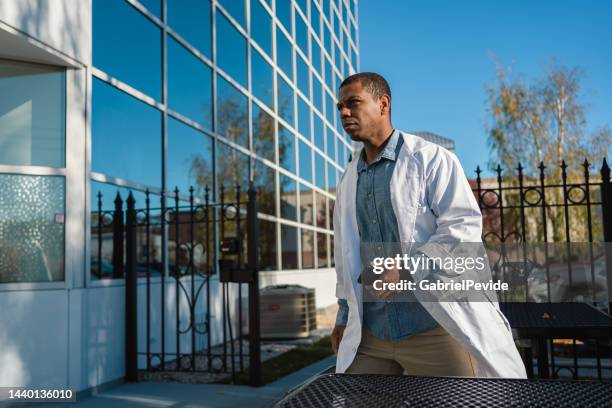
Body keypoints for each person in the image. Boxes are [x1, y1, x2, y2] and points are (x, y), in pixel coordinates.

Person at [331, 72, 526, 377]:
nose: (343, 112)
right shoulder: (348, 180)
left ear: (383, 104)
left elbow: (462, 230)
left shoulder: (432, 160)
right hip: (372, 335)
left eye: (353, 103)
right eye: (340, 106)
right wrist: (343, 315)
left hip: (435, 328)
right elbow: (344, 254)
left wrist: (407, 268)